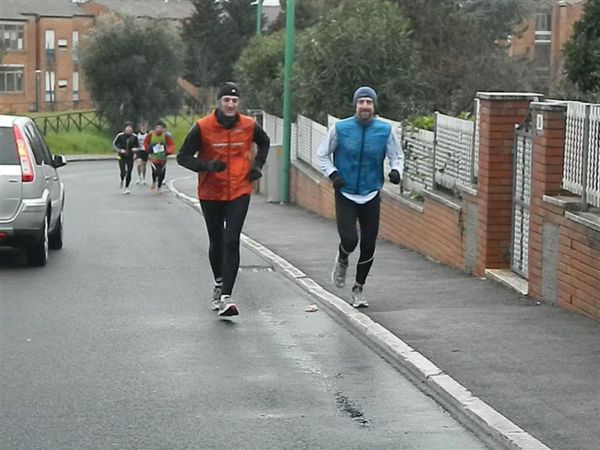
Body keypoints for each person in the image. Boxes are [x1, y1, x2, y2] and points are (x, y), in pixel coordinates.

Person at [177, 82, 270, 317]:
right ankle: (219, 283)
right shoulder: (203, 126)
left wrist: (257, 166)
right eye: (226, 100)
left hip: (240, 189)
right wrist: (206, 165)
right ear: (219, 102)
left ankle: (226, 296)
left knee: (232, 239)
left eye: (234, 101)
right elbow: (182, 157)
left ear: (239, 103)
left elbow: (265, 141)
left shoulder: (249, 125)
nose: (230, 104)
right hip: (211, 191)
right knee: (217, 241)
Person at [317, 86, 404, 308]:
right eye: (361, 102)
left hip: (371, 192)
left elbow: (397, 156)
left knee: (368, 244)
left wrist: (396, 172)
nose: (365, 106)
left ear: (374, 107)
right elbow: (322, 154)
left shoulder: (385, 130)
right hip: (345, 192)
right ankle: (343, 257)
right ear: (355, 105)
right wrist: (333, 174)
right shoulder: (341, 128)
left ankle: (358, 288)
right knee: (350, 240)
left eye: (369, 103)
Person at [143, 120, 175, 192]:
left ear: (163, 129)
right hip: (153, 157)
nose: (159, 129)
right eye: (158, 128)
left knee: (162, 173)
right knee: (155, 171)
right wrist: (148, 149)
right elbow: (146, 142)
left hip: (163, 157)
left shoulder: (166, 136)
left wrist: (168, 151)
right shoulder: (151, 135)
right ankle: (154, 182)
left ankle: (159, 186)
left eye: (161, 128)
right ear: (155, 128)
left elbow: (171, 144)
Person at [112, 122, 139, 194]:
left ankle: (127, 187)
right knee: (123, 171)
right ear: (124, 129)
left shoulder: (134, 137)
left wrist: (135, 150)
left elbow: (138, 146)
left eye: (130, 130)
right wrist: (120, 150)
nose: (129, 131)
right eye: (127, 130)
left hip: (130, 156)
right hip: (121, 156)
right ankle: (122, 179)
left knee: (129, 172)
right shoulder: (120, 136)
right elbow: (114, 144)